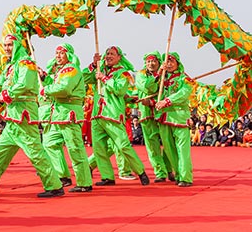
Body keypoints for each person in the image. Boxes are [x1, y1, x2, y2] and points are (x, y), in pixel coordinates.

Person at [0, 34, 63, 198]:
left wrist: (7, 94)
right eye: (5, 45)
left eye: (10, 45)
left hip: (24, 116)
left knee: (35, 152)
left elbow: (24, 84)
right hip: (13, 117)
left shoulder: (25, 63)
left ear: (18, 46)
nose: (7, 48)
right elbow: (2, 87)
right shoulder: (10, 66)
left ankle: (54, 185)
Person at [83, 46, 149, 186]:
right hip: (97, 114)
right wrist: (94, 65)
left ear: (119, 57)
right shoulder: (99, 69)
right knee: (99, 148)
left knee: (123, 145)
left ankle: (141, 171)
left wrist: (105, 79)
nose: (108, 56)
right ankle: (107, 177)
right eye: (107, 54)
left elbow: (119, 90)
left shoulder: (123, 73)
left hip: (112, 114)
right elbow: (83, 78)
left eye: (112, 54)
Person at [39, 43, 93, 193]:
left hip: (69, 113)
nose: (58, 56)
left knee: (75, 148)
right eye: (56, 53)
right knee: (49, 143)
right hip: (57, 114)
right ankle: (63, 175)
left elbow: (64, 89)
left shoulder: (71, 70)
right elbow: (56, 86)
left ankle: (84, 182)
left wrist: (46, 90)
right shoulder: (61, 71)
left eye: (61, 53)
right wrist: (45, 78)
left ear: (68, 54)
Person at [154, 52, 194, 187]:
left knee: (182, 149)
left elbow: (184, 93)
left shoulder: (185, 79)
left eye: (172, 61)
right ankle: (178, 174)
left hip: (180, 117)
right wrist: (160, 72)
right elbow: (149, 87)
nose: (169, 64)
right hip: (164, 118)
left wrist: (167, 101)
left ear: (178, 63)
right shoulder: (161, 78)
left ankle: (186, 177)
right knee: (169, 149)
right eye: (167, 61)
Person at [134, 52, 173, 182]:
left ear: (159, 62)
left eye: (154, 61)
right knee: (152, 146)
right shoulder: (141, 75)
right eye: (148, 61)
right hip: (146, 115)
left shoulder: (167, 75)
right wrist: (158, 75)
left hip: (162, 113)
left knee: (168, 143)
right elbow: (147, 88)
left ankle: (170, 169)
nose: (151, 64)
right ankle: (160, 172)